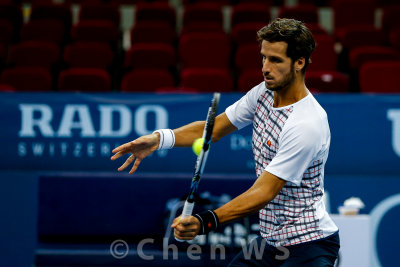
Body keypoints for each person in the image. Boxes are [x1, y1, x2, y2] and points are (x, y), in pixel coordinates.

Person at [111, 18, 340, 266]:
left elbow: (264, 191)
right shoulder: (262, 93)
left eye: (275, 60)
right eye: (264, 57)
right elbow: (214, 128)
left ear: (299, 62)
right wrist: (159, 139)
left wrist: (205, 221)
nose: (265, 67)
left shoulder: (306, 123)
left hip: (309, 246)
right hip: (270, 241)